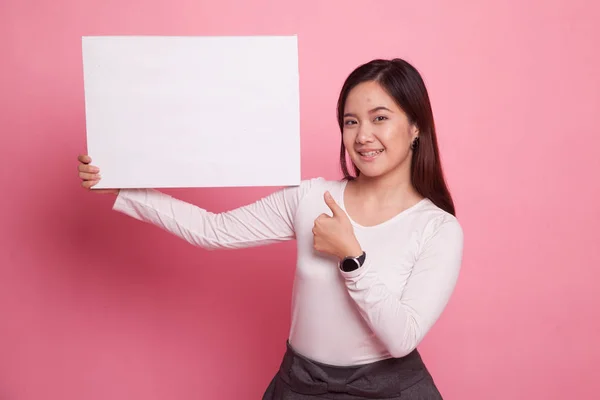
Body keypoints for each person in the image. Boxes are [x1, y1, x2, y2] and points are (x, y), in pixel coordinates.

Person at [77, 58, 463, 399]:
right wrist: (127, 190)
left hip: (390, 392)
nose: (362, 136)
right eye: (351, 121)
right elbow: (215, 230)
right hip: (300, 387)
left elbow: (402, 338)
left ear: (415, 127)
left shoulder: (437, 228)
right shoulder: (310, 197)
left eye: (380, 117)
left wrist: (353, 258)